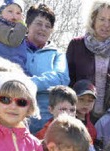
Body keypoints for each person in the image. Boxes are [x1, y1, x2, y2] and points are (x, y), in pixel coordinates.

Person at [66, 1, 110, 118]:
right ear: (93, 19)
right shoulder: (76, 45)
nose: (106, 24)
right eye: (102, 19)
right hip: (79, 115)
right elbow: (68, 82)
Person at [24, 3, 70, 133]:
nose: (43, 29)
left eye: (48, 26)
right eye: (38, 23)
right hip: (16, 118)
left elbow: (61, 78)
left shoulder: (57, 54)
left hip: (45, 123)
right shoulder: (14, 49)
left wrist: (26, 83)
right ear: (28, 24)